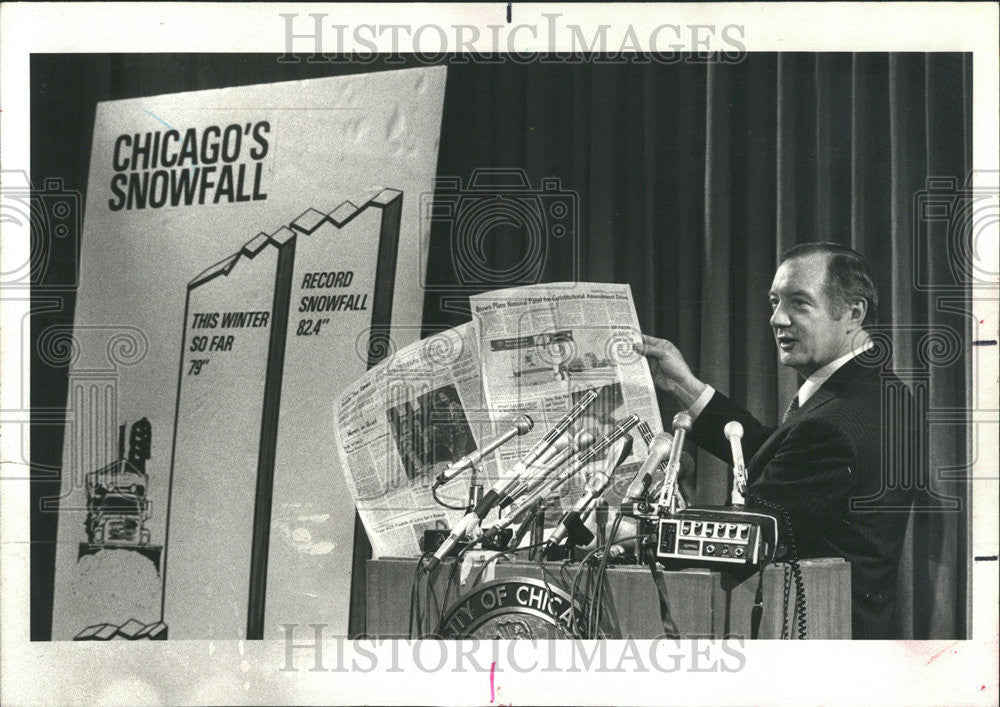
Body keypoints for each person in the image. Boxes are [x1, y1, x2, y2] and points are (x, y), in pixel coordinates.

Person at [640, 242, 914, 639]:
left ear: (854, 313)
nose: (776, 318)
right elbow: (789, 462)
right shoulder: (882, 391)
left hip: (816, 638)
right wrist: (685, 386)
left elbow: (751, 528)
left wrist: (646, 530)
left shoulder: (833, 423)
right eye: (773, 302)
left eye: (799, 303)